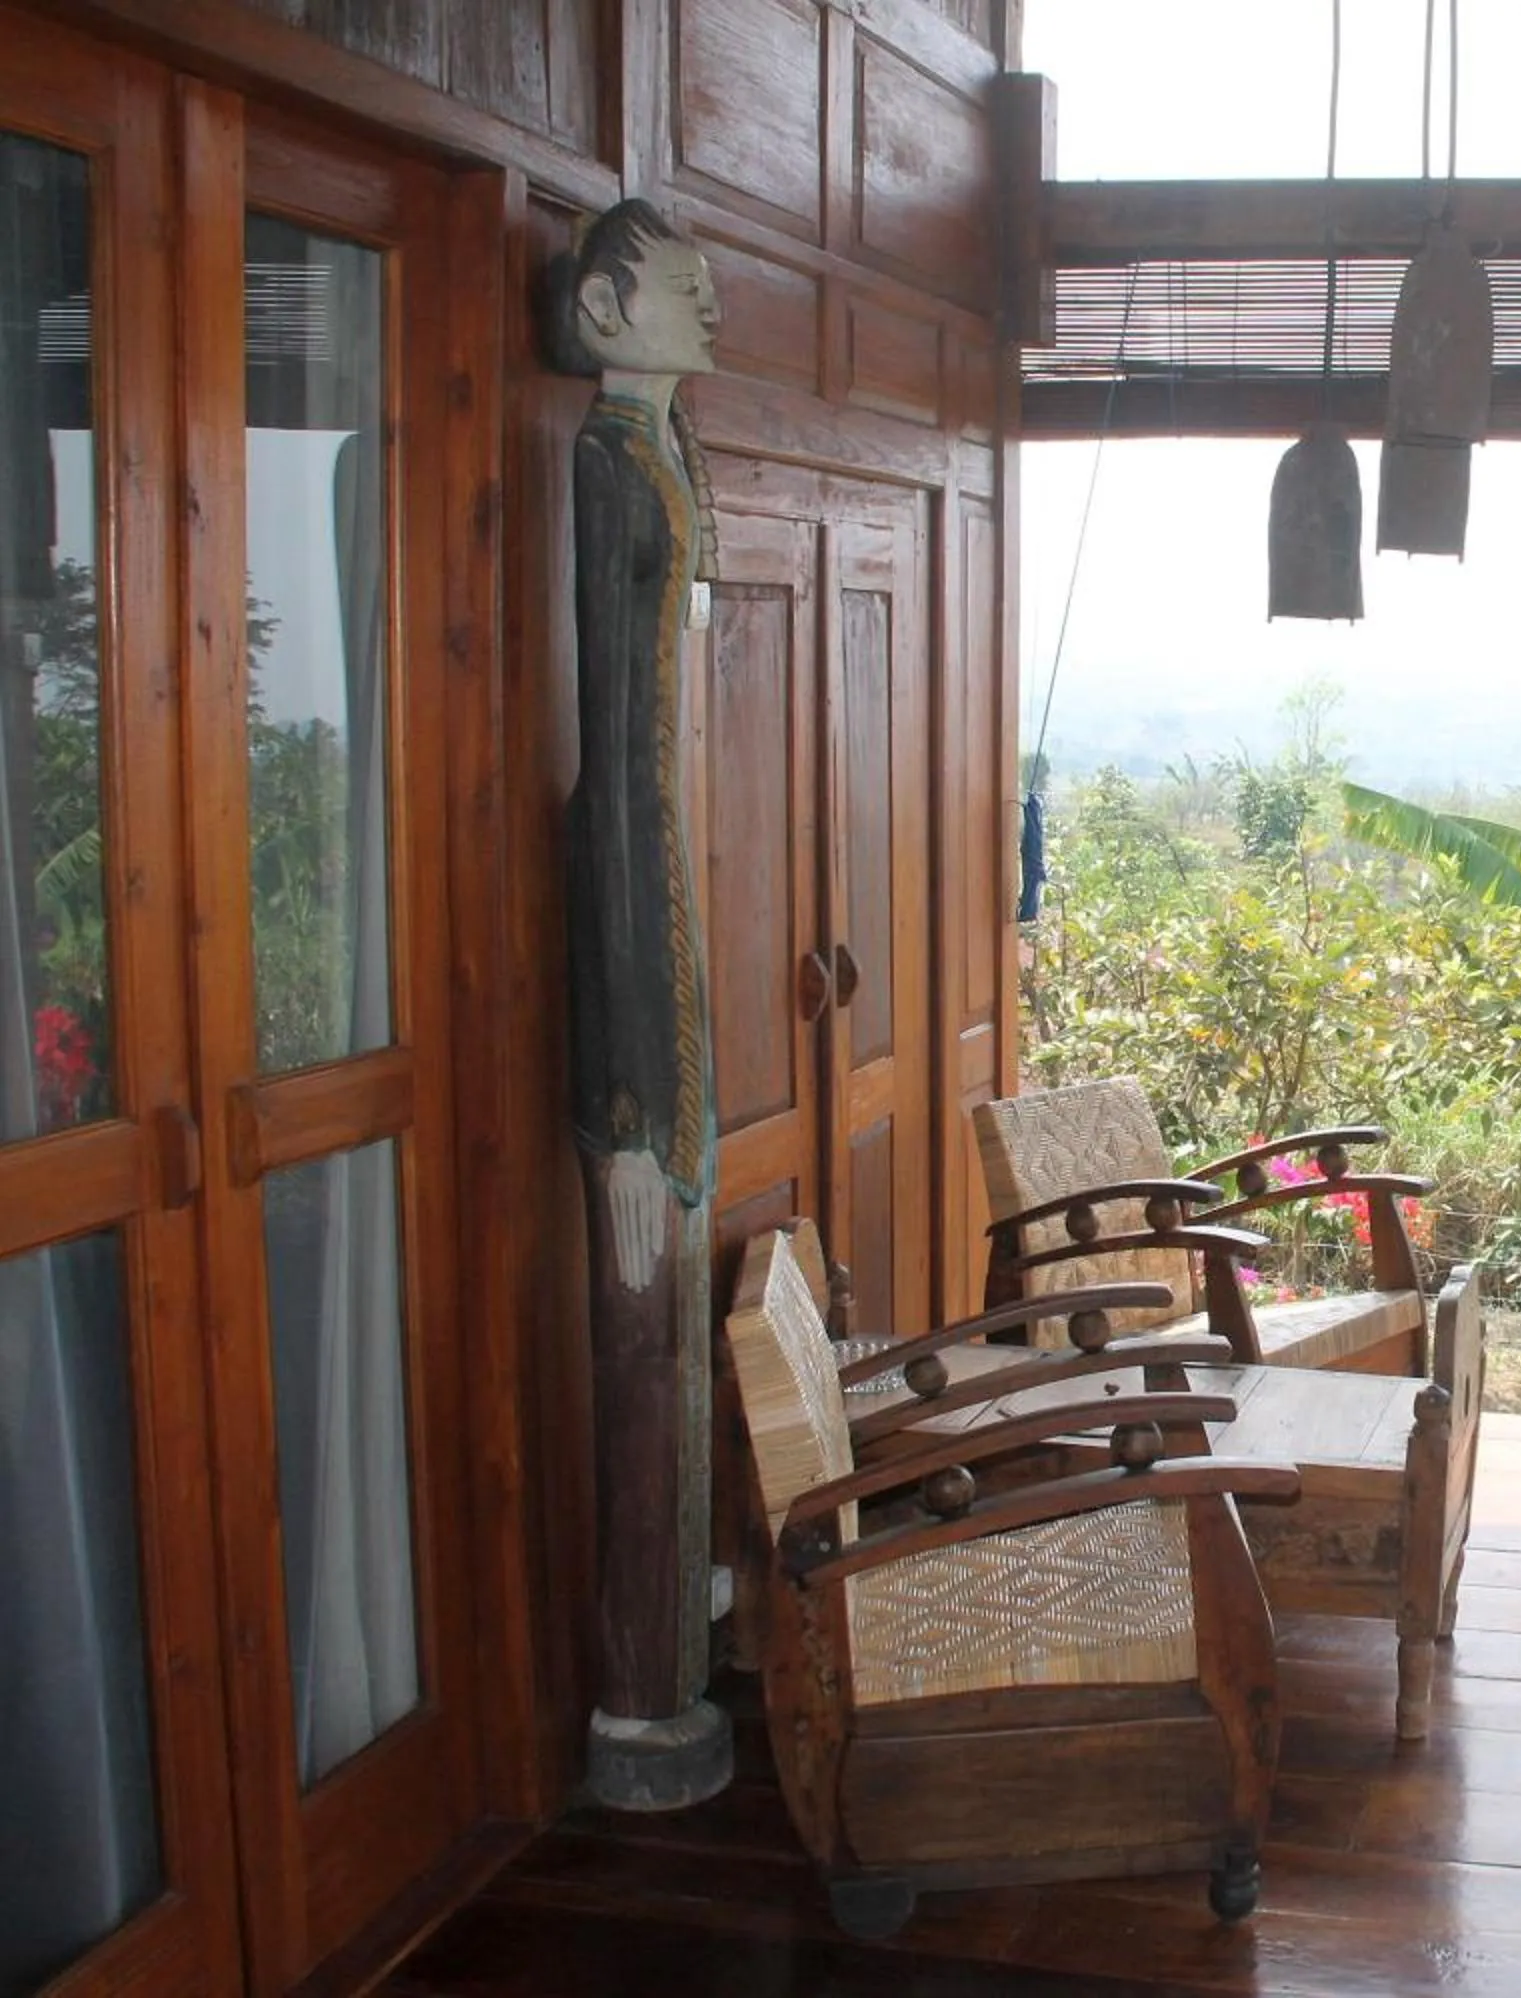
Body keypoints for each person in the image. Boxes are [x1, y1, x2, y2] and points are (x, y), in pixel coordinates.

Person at [547, 198, 732, 1809]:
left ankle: (676, 1667)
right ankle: (636, 1699)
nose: (711, 300)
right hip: (636, 1025)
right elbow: (607, 791)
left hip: (679, 988)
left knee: (671, 1344)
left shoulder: (675, 461)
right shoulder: (608, 478)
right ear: (607, 310)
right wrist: (619, 1104)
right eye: (682, 283)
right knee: (638, 1352)